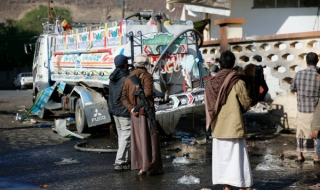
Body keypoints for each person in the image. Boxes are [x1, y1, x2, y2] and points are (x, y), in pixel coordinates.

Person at [205, 50, 253, 190]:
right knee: (237, 160)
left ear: (220, 63)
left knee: (223, 159)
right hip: (234, 126)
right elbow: (245, 104)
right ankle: (242, 186)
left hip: (218, 128)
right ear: (233, 64)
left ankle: (227, 187)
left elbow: (208, 106)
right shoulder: (237, 81)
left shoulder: (210, 83)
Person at [121, 54, 163, 176]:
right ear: (145, 64)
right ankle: (150, 166)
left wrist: (131, 108)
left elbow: (123, 97)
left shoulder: (128, 78)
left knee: (138, 141)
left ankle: (141, 166)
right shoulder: (147, 76)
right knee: (150, 140)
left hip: (134, 114)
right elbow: (148, 93)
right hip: (145, 113)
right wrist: (138, 107)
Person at [290, 52, 320, 163]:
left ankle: (299, 155)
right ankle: (316, 156)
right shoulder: (319, 74)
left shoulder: (299, 74)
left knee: (300, 132)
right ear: (317, 61)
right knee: (317, 133)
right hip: (316, 110)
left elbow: (292, 88)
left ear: (306, 62)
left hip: (302, 109)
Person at [108, 54, 131, 170]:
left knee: (122, 136)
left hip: (114, 110)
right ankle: (119, 161)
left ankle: (125, 161)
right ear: (124, 65)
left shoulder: (113, 77)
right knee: (126, 136)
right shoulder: (126, 78)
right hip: (123, 111)